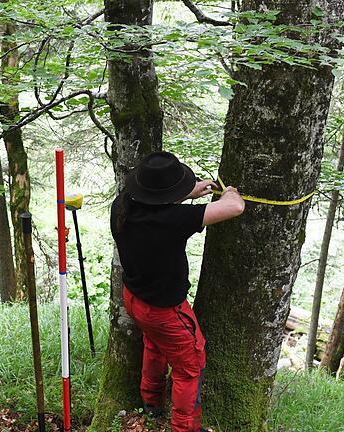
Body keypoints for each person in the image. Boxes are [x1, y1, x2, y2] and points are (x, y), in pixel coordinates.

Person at [110, 151, 245, 432]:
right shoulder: (173, 220)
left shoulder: (122, 205)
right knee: (190, 367)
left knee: (154, 345)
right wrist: (231, 192)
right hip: (165, 312)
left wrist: (188, 193)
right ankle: (184, 428)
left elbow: (158, 206)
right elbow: (234, 207)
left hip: (135, 299)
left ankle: (151, 404)